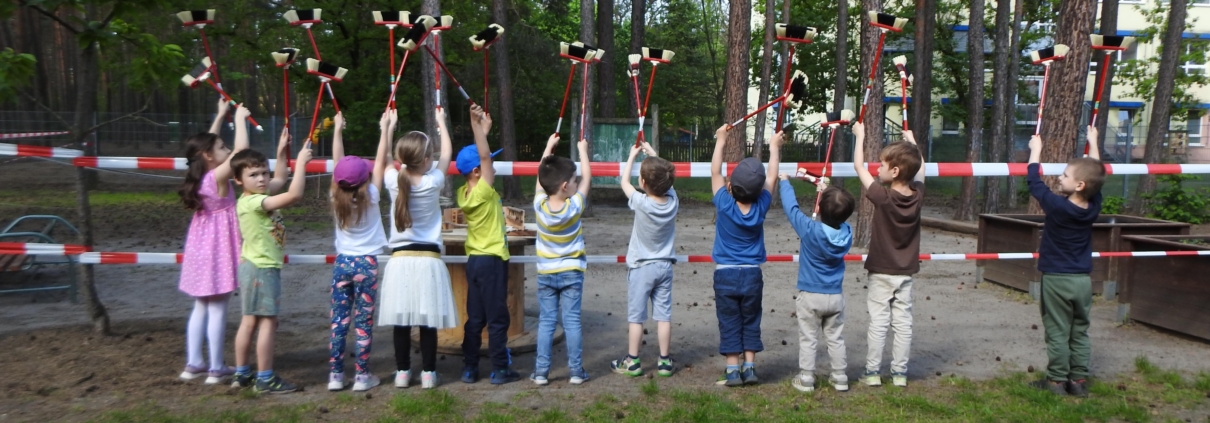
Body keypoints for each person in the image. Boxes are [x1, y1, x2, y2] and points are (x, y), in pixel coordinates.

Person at [229, 127, 313, 394]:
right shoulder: (253, 202)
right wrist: (301, 163)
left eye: (263, 172)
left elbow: (281, 178)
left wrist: (281, 151)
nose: (262, 178)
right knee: (267, 322)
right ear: (238, 180)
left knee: (249, 321)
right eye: (253, 175)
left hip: (254, 267)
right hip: (262, 269)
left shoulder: (257, 195)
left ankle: (242, 374)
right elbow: (294, 195)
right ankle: (265, 378)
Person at [380, 108, 457, 390]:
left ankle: (402, 372)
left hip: (400, 260)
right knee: (427, 321)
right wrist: (441, 124)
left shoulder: (393, 180)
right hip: (428, 260)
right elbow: (447, 153)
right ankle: (428, 373)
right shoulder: (433, 181)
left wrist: (387, 128)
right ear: (426, 160)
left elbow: (386, 159)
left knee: (401, 321)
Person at [1027, 126, 1104, 398]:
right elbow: (1097, 172)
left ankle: (1057, 381)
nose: (1059, 178)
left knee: (1057, 330)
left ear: (1080, 185)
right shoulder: (1093, 206)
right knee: (1079, 331)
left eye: (1064, 175)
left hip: (1056, 279)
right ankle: (1078, 381)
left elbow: (1034, 183)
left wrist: (1035, 152)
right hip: (1082, 280)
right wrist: (1093, 142)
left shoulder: (1058, 207)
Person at [175, 100, 247, 385]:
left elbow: (205, 146)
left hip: (201, 246)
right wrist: (239, 119)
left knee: (201, 306)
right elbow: (241, 154)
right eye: (222, 148)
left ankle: (194, 363)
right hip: (218, 246)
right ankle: (216, 368)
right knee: (218, 307)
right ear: (209, 156)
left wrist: (218, 115)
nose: (227, 151)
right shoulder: (216, 177)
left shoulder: (200, 175)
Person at [852, 123, 926, 388]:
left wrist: (860, 137)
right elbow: (922, 171)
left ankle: (872, 372)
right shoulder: (918, 196)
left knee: (879, 323)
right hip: (906, 272)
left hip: (881, 272)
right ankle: (900, 374)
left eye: (881, 166)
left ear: (894, 171)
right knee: (903, 324)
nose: (876, 169)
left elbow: (859, 167)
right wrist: (913, 142)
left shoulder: (883, 198)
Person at [709, 126, 783, 387]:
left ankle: (732, 370)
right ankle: (750, 368)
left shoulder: (724, 203)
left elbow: (715, 171)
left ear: (730, 186)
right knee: (751, 319)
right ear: (759, 189)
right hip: (752, 275)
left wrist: (721, 141)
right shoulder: (762, 206)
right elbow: (772, 175)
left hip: (725, 274)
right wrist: (774, 147)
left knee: (729, 320)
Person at [325, 111, 393, 392]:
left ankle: (335, 376)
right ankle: (362, 375)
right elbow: (380, 161)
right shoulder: (372, 196)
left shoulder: (334, 197)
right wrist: (385, 129)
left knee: (339, 321)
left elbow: (337, 164)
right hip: (367, 265)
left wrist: (337, 130)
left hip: (342, 264)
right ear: (365, 180)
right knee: (364, 321)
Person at [455, 104, 522, 385]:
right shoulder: (483, 190)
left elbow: (479, 156)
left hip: (475, 262)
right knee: (497, 318)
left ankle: (470, 368)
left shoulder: (465, 192)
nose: (490, 165)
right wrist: (474, 124)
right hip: (492, 260)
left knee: (476, 317)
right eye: (487, 164)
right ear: (476, 172)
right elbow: (482, 156)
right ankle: (499, 368)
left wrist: (484, 130)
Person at [778, 174, 856, 393]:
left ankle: (806, 378)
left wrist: (784, 182)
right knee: (835, 338)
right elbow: (840, 214)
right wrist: (825, 192)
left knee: (808, 338)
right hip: (835, 296)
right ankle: (840, 377)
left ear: (819, 209)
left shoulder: (810, 230)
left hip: (810, 296)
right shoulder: (847, 234)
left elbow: (791, 209)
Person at [609, 141, 679, 378]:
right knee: (663, 316)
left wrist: (632, 156)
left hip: (641, 268)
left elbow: (623, 182)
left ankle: (633, 361)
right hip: (665, 267)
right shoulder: (673, 201)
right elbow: (665, 180)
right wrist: (653, 155)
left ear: (643, 183)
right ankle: (665, 361)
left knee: (636, 317)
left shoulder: (641, 202)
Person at [531, 134, 592, 386]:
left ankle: (541, 372)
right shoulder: (574, 207)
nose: (578, 183)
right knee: (572, 322)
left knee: (546, 322)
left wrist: (547, 148)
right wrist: (583, 151)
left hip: (546, 274)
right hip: (572, 272)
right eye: (574, 181)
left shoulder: (539, 206)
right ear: (566, 185)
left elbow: (539, 182)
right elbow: (588, 177)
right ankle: (576, 371)